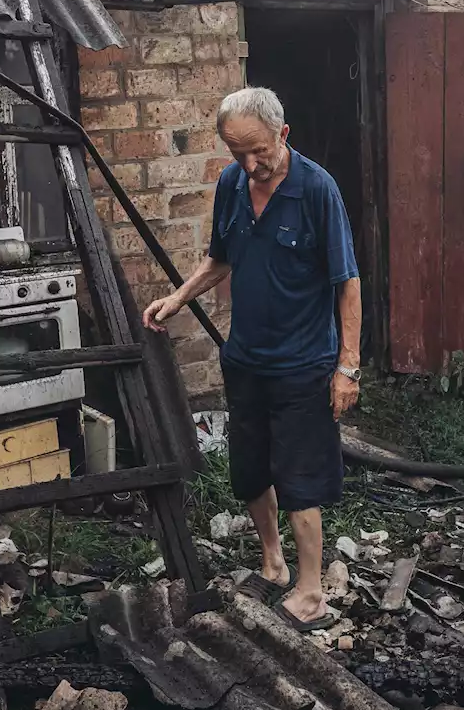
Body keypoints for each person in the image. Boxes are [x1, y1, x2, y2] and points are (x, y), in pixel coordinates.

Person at [142, 87, 361, 631]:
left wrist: (347, 366)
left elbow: (347, 285)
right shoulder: (232, 184)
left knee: (299, 476)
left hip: (303, 364)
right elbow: (221, 258)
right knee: (250, 471)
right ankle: (273, 561)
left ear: (282, 134)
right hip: (246, 360)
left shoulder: (317, 190)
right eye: (237, 153)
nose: (249, 164)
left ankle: (311, 589)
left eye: (258, 151)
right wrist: (178, 298)